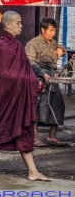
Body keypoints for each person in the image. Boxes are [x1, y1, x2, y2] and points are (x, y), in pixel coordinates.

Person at [0, 11, 50, 181]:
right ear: (8, 25)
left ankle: (32, 171)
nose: (21, 25)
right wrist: (30, 81)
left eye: (21, 22)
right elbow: (2, 75)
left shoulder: (16, 44)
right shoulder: (4, 45)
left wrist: (32, 79)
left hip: (18, 97)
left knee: (24, 131)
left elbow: (24, 70)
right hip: (7, 98)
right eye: (18, 23)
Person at [25, 18, 67, 147]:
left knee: (58, 106)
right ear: (43, 30)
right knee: (36, 108)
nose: (52, 33)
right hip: (37, 79)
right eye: (50, 30)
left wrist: (62, 49)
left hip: (52, 79)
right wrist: (43, 74)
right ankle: (35, 137)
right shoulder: (33, 44)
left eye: (54, 30)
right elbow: (30, 63)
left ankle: (52, 135)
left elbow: (61, 49)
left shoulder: (53, 43)